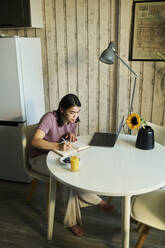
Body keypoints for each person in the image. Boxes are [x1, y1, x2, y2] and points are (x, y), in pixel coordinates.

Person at [29, 93, 113, 237]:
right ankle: (80, 214)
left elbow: (68, 134)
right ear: (62, 109)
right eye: (72, 112)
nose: (75, 116)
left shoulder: (72, 120)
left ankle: (93, 200)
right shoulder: (49, 118)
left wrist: (71, 136)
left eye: (77, 112)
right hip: (39, 158)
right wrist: (57, 145)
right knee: (66, 177)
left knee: (78, 168)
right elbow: (35, 141)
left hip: (56, 156)